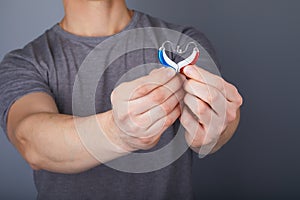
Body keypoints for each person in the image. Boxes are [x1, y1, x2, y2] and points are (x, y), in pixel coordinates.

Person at [0, 0, 243, 199]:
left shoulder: (182, 41)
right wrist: (118, 132)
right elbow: (30, 141)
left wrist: (215, 126)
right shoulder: (25, 62)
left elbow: (216, 125)